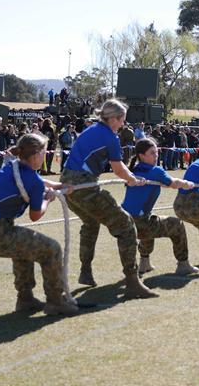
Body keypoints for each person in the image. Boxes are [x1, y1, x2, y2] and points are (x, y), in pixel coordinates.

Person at [0, 134, 77, 316]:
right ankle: (55, 302)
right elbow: (35, 215)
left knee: (24, 249)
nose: (44, 156)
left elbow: (38, 182)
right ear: (35, 156)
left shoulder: (15, 166)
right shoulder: (31, 180)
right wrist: (48, 200)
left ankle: (25, 299)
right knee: (52, 249)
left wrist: (59, 186)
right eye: (43, 153)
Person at [59, 99, 156, 298]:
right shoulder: (109, 136)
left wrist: (130, 177)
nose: (123, 124)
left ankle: (85, 272)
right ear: (112, 118)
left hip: (67, 184)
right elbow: (119, 168)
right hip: (83, 186)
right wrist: (132, 180)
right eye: (121, 120)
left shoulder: (92, 130)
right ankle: (132, 281)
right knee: (126, 226)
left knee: (91, 223)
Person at [124, 138, 199, 276]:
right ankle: (183, 264)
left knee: (151, 218)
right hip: (138, 223)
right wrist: (186, 183)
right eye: (152, 153)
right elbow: (173, 183)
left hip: (125, 221)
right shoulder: (155, 171)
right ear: (141, 156)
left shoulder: (134, 170)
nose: (156, 155)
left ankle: (144, 263)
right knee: (177, 225)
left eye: (157, 152)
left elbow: (159, 183)